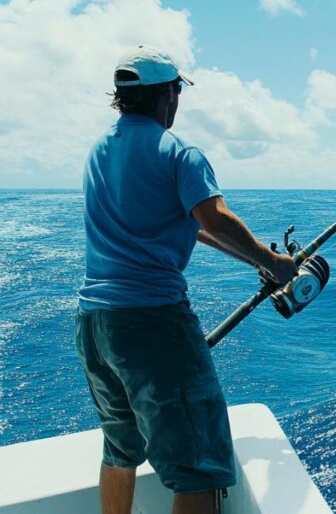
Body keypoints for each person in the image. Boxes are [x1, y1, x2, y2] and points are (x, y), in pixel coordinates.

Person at [75, 45, 296, 514]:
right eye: (177, 90)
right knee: (198, 465)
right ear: (169, 94)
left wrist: (254, 259)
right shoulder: (179, 153)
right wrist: (276, 266)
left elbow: (186, 224)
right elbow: (212, 218)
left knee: (120, 448)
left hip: (95, 325)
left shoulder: (100, 150)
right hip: (153, 324)